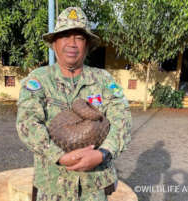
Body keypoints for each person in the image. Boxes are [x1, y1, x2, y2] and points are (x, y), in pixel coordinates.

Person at [16, 7, 132, 201]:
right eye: (64, 36)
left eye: (79, 37)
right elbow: (27, 123)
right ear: (54, 44)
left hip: (94, 186)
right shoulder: (39, 80)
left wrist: (104, 153)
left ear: (87, 46)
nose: (72, 43)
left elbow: (122, 120)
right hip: (53, 185)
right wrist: (58, 155)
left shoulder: (103, 80)